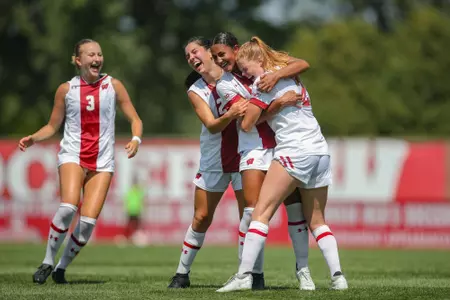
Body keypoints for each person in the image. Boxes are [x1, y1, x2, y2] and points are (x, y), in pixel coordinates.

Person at [217, 36, 348, 292]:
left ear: (258, 60)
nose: (245, 73)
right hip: (320, 152)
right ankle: (338, 277)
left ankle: (244, 276)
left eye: (246, 68)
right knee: (318, 221)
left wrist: (273, 105)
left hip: (293, 152)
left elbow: (246, 124)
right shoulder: (292, 76)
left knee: (260, 213)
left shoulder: (263, 83)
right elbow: (301, 64)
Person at [20, 38, 143, 284]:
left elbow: (135, 118)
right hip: (73, 155)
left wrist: (136, 139)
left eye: (99, 54)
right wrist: (34, 138)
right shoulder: (66, 90)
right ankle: (46, 262)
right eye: (90, 55)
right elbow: (53, 125)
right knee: (69, 206)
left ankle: (61, 268)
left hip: (103, 161)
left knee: (87, 223)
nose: (97, 59)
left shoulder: (114, 85)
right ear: (78, 60)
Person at [167, 36, 247, 289]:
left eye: (195, 52)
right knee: (201, 217)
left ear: (210, 53)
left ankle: (249, 273)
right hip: (214, 160)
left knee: (248, 217)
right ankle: (182, 273)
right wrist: (231, 113)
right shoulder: (196, 90)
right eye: (188, 56)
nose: (191, 58)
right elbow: (212, 126)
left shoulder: (239, 75)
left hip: (246, 156)